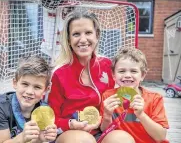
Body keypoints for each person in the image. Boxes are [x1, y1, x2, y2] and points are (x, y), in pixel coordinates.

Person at [48, 10, 135, 143]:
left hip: (102, 129)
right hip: (70, 133)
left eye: (88, 33)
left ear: (97, 35)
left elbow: (122, 97)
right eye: (76, 34)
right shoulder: (59, 74)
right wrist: (71, 124)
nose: (83, 39)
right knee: (84, 140)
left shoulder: (107, 65)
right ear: (68, 40)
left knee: (124, 139)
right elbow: (51, 118)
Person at [100, 47, 169, 143]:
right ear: (113, 75)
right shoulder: (108, 97)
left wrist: (141, 115)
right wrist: (107, 115)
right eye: (122, 71)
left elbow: (160, 136)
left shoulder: (155, 99)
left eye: (133, 71)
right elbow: (105, 132)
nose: (127, 75)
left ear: (143, 75)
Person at [0, 55, 57, 143]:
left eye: (37, 87)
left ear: (46, 89)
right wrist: (22, 138)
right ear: (15, 83)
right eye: (25, 84)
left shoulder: (45, 111)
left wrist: (41, 138)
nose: (30, 91)